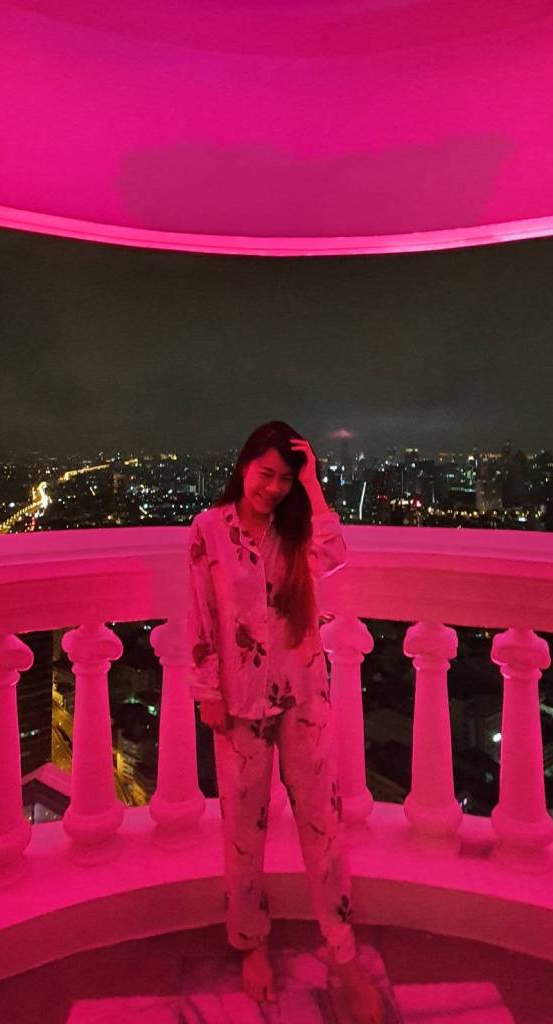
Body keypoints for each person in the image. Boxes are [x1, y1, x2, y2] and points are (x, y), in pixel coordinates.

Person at [186, 421, 384, 1024]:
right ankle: (253, 944)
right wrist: (206, 691)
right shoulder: (209, 530)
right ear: (243, 466)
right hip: (239, 702)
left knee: (323, 825)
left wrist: (314, 485)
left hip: (303, 696)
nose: (272, 487)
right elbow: (201, 616)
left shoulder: (295, 530)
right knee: (243, 830)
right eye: (265, 473)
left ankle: (343, 955)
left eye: (284, 478)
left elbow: (337, 554)